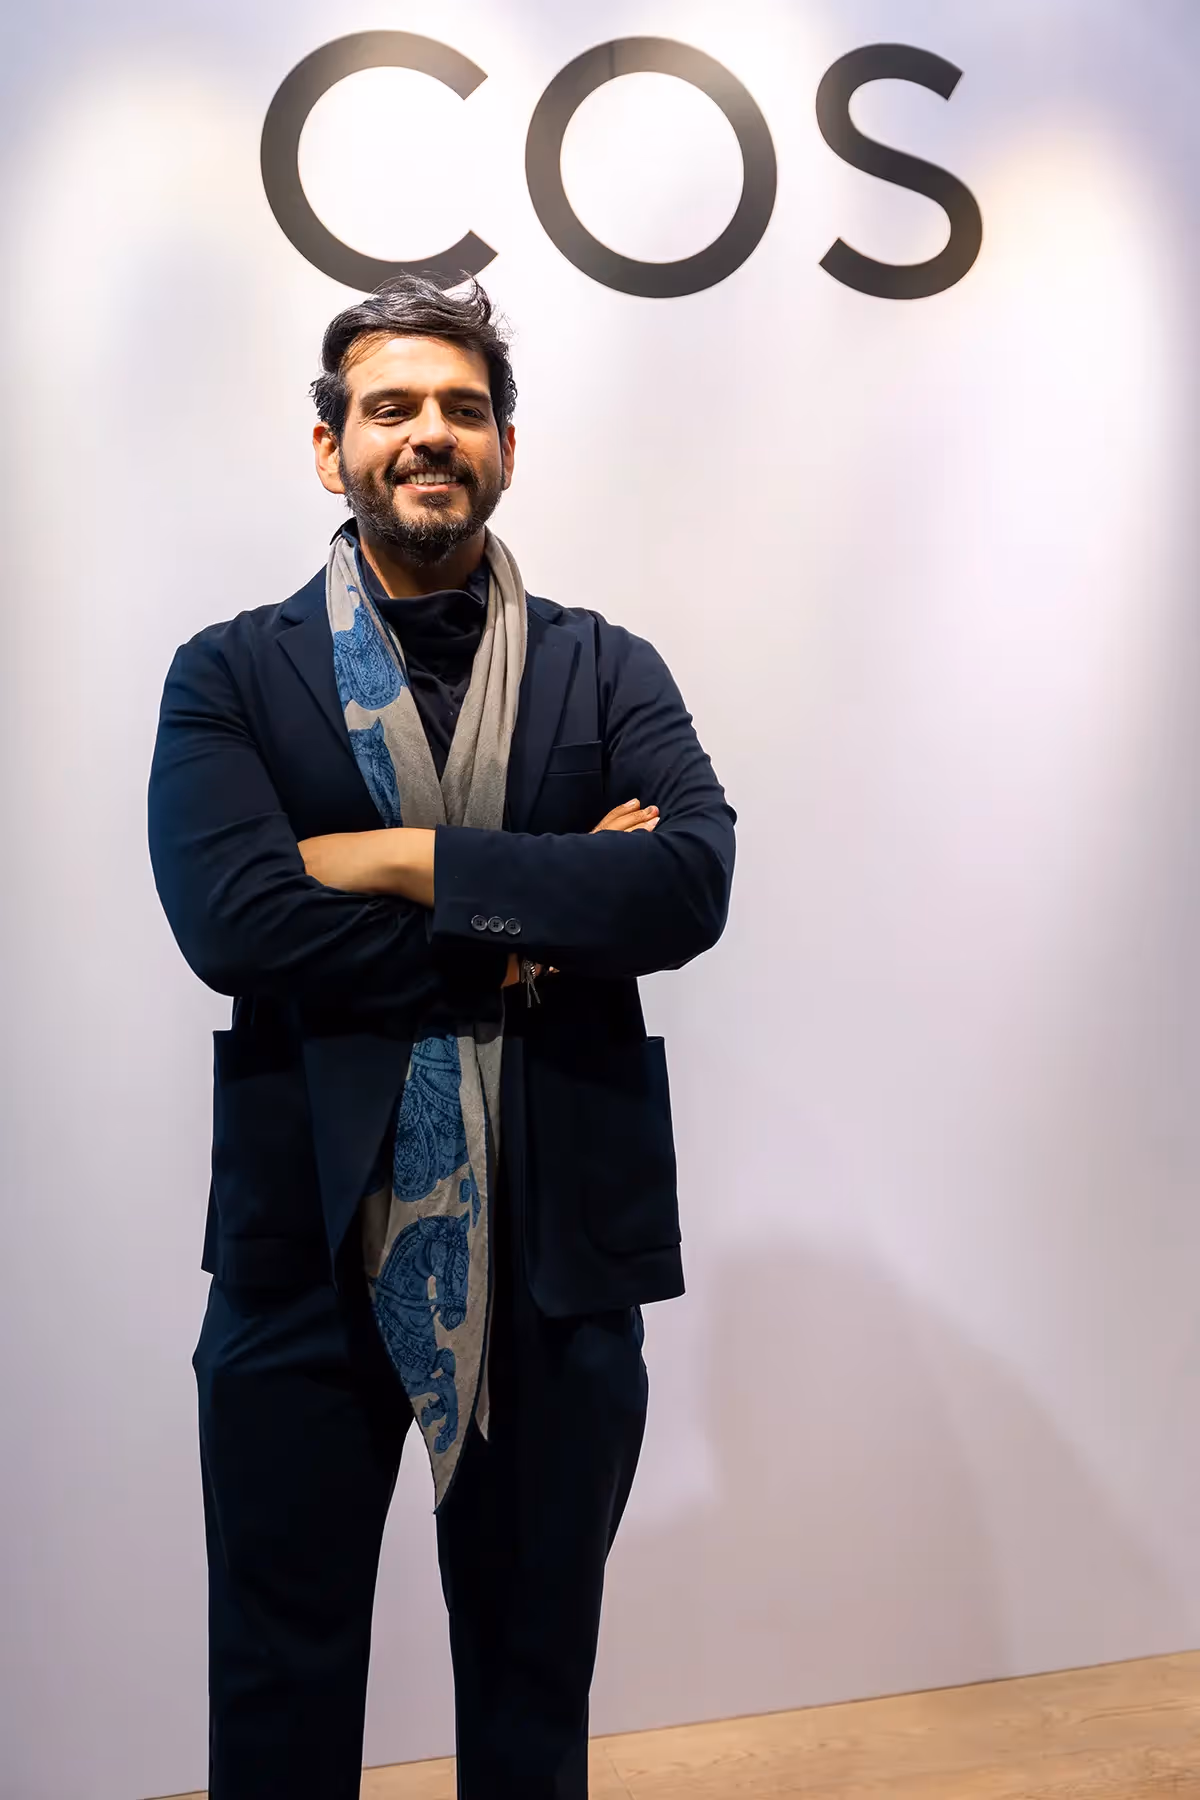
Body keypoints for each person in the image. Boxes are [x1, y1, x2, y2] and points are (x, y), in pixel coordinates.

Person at [148, 273, 736, 1800]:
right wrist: (539, 920)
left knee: (535, 1684)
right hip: (304, 1241)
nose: (429, 434)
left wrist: (400, 859)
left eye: (463, 409)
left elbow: (686, 884)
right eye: (391, 407)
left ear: (507, 448)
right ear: (330, 446)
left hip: (558, 1247)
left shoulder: (606, 667)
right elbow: (239, 927)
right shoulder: (230, 672)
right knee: (278, 1682)